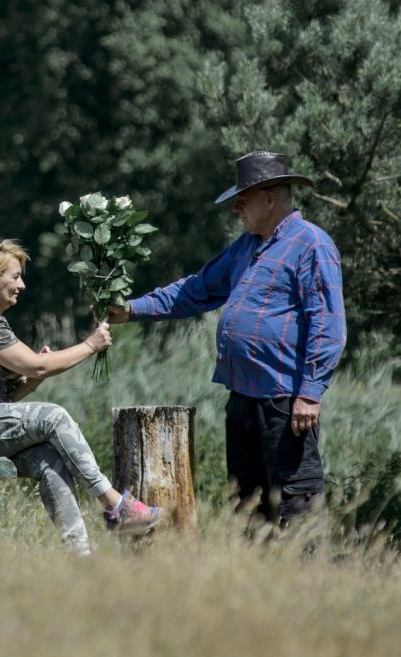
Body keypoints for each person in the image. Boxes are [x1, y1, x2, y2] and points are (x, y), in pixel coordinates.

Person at [108, 151, 347, 526]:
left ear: (270, 198)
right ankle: (255, 577)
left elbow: (328, 323)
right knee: (248, 502)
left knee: (294, 501)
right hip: (243, 397)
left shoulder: (311, 244)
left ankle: (305, 577)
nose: (237, 208)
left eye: (244, 198)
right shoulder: (247, 245)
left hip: (285, 399)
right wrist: (132, 309)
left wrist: (310, 392)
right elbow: (197, 289)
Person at [0, 236, 165, 554]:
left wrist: (36, 377)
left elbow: (9, 395)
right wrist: (89, 346)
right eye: (15, 276)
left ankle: (79, 555)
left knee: (50, 460)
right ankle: (116, 506)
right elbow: (35, 365)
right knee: (54, 416)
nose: (21, 285)